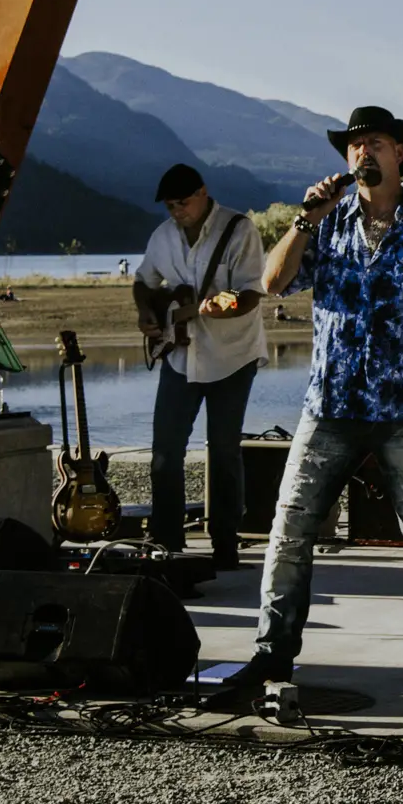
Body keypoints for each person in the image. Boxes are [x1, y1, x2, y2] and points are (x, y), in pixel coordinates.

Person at [232, 105, 403, 688]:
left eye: (374, 143)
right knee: (289, 528)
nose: (361, 153)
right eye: (352, 146)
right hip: (331, 407)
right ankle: (272, 653)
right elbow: (272, 284)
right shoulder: (328, 221)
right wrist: (303, 219)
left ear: (400, 154)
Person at [131, 163, 266, 571]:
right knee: (164, 453)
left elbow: (250, 294)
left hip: (232, 356)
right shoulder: (163, 236)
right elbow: (143, 281)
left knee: (224, 452)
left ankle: (225, 544)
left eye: (183, 203)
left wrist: (217, 308)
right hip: (178, 353)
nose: (177, 212)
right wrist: (146, 315)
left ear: (203, 193)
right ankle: (167, 543)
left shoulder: (239, 230)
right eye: (171, 206)